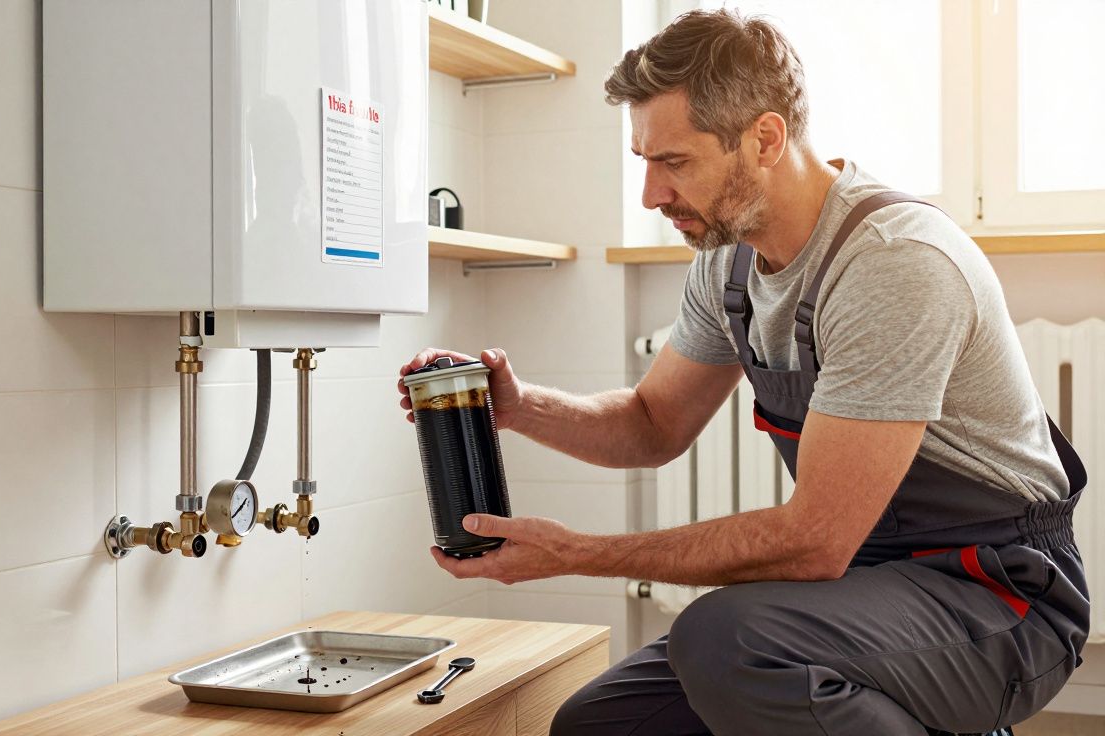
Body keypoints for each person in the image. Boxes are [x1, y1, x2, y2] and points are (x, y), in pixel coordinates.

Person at [395, 9, 1088, 735]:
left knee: (728, 640)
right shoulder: (728, 263)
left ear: (764, 138)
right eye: (645, 162)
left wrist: (577, 554)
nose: (651, 196)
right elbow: (651, 424)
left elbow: (817, 540)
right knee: (599, 726)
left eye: (676, 162)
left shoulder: (894, 263)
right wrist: (519, 406)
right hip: (871, 581)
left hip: (1001, 597)